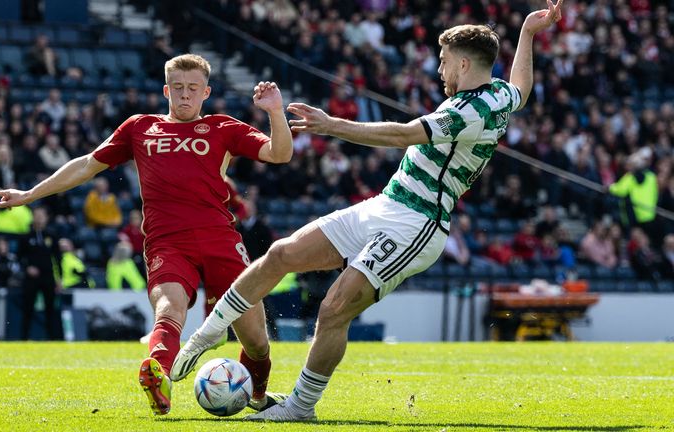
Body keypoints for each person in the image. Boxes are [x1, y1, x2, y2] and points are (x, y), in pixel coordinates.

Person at [173, 1, 563, 421]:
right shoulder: (500, 94)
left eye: (444, 61)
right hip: (386, 204)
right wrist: (528, 32)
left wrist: (332, 125)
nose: (440, 70)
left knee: (333, 308)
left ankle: (300, 408)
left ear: (464, 63)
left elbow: (404, 134)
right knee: (283, 253)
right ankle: (207, 335)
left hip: (418, 224)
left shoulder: (469, 110)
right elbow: (521, 87)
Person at [0, 53, 293, 416]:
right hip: (167, 242)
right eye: (177, 88)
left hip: (220, 239)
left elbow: (280, 154)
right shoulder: (140, 127)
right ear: (166, 89)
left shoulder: (222, 128)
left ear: (206, 92)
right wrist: (29, 194)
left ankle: (258, 399)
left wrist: (275, 111)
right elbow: (87, 165)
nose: (184, 95)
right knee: (168, 309)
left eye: (192, 88)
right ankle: (158, 378)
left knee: (256, 341)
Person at [18, 207, 62, 340]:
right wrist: (27, 268)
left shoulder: (52, 235)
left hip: (48, 277)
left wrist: (60, 278)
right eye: (36, 215)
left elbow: (58, 258)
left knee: (50, 309)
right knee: (28, 308)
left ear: (46, 218)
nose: (39, 218)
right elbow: (19, 257)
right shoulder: (26, 237)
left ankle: (52, 338)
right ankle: (24, 338)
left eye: (41, 215)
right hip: (31, 278)